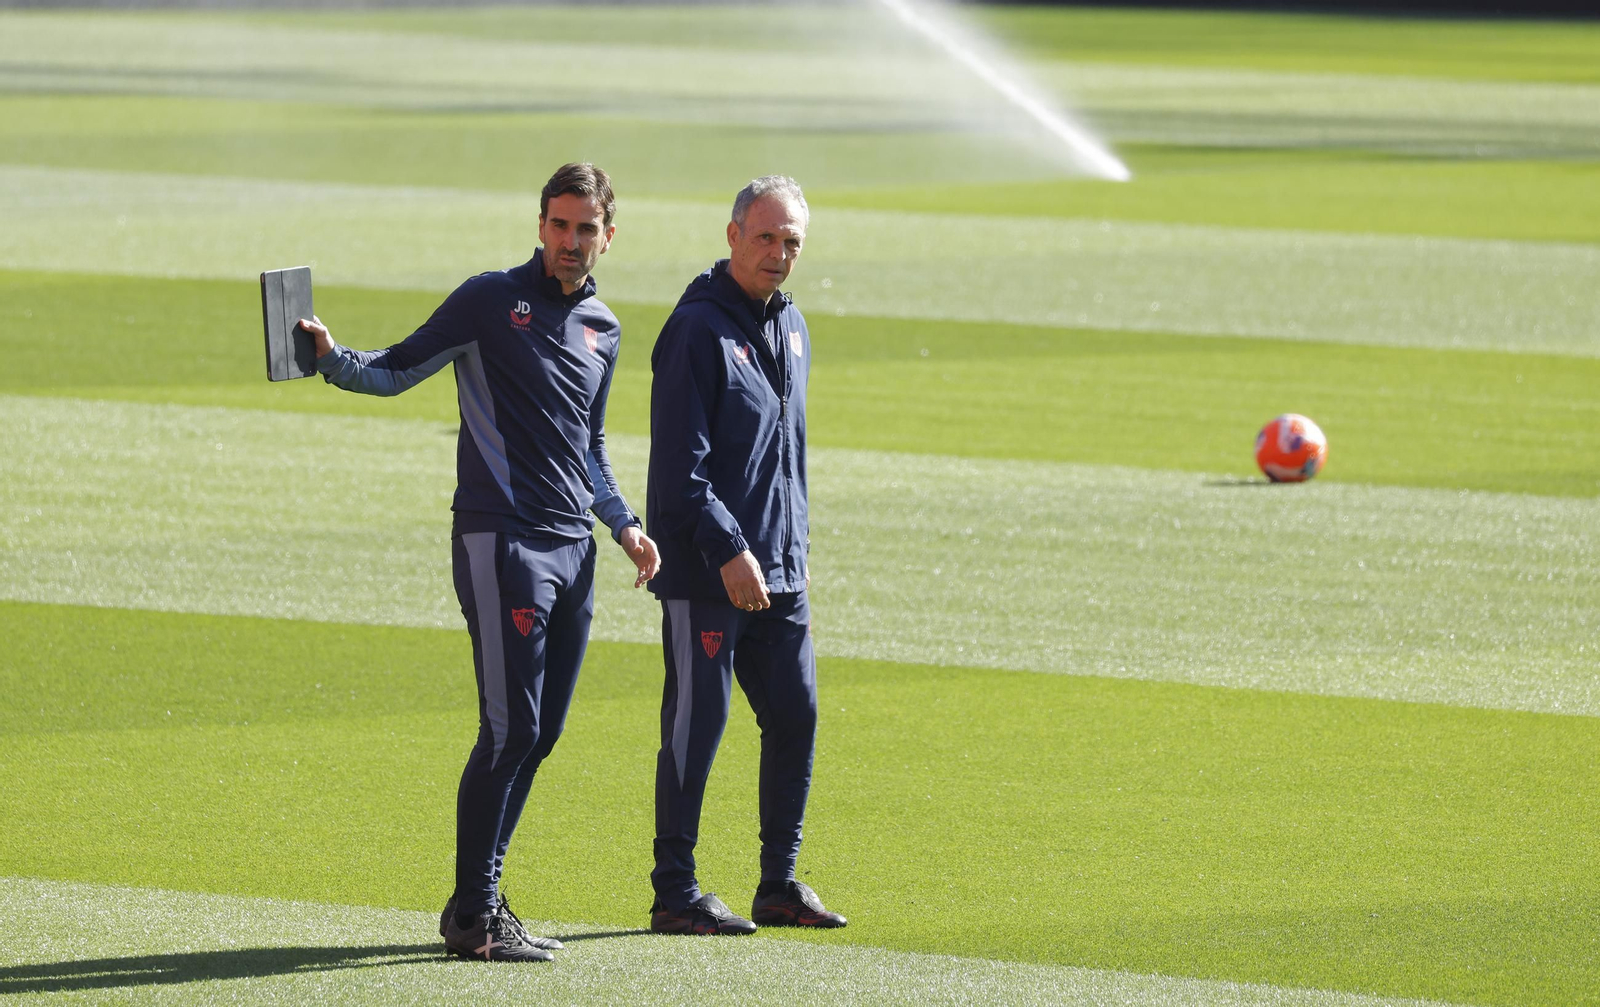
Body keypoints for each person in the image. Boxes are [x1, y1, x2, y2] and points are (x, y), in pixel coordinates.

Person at [300, 163, 659, 962]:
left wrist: (625, 525)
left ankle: (483, 902)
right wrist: (330, 356)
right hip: (503, 541)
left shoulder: (605, 325)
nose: (571, 242)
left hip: (574, 548)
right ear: (540, 225)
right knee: (510, 726)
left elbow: (590, 445)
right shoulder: (488, 301)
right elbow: (395, 368)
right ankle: (473, 914)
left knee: (544, 730)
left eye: (586, 229)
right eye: (559, 225)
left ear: (608, 236)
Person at [644, 175, 846, 935]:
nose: (779, 253)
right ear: (732, 236)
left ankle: (778, 883)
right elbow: (678, 472)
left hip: (781, 575)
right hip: (708, 574)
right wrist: (730, 547)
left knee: (797, 717)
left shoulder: (791, 326)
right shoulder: (697, 329)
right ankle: (675, 890)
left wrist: (783, 551)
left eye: (792, 240)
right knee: (698, 726)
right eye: (766, 237)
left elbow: (783, 459)